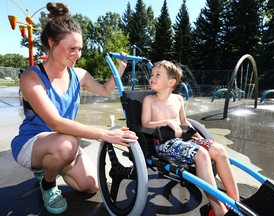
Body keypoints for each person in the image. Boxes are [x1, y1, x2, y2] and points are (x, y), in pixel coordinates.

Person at [11, 2, 138, 215]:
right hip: (32, 143)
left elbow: (106, 90)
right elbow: (55, 123)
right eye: (71, 49)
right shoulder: (31, 77)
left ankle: (53, 165)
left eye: (79, 49)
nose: (77, 54)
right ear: (51, 43)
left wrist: (121, 66)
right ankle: (48, 183)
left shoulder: (79, 74)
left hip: (63, 142)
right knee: (67, 143)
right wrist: (104, 134)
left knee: (91, 186)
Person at [141, 60, 239, 216]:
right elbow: (145, 123)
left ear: (171, 82)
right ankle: (219, 211)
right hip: (164, 143)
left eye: (157, 75)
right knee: (202, 154)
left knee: (219, 149)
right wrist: (167, 122)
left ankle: (235, 202)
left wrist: (199, 138)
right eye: (152, 75)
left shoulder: (178, 99)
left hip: (183, 140)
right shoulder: (150, 100)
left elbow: (185, 123)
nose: (152, 78)